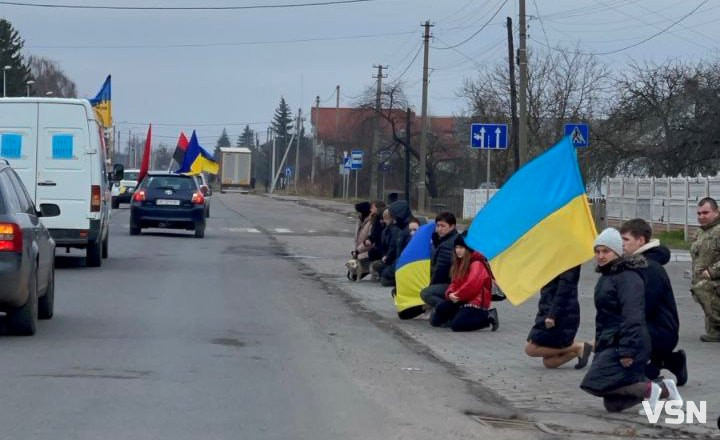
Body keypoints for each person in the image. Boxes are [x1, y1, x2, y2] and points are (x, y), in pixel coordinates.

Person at [580, 228, 681, 413]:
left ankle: (649, 390)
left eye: (606, 251)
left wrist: (627, 351)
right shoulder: (607, 275)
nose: (600, 256)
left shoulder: (628, 277)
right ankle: (664, 388)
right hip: (611, 342)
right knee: (613, 404)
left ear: (617, 252)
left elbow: (633, 315)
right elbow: (604, 318)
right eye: (597, 251)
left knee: (593, 382)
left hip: (628, 345)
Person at [620, 218, 687, 385]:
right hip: (654, 328)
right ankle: (672, 361)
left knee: (630, 378)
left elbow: (645, 306)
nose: (622, 244)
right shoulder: (639, 263)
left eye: (626, 240)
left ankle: (653, 373)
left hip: (661, 332)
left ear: (641, 240)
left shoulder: (649, 267)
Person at [525, 266, 593, 369]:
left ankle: (579, 346)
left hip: (560, 314)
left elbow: (564, 290)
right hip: (549, 309)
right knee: (550, 362)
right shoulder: (553, 258)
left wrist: (552, 315)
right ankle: (584, 347)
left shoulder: (568, 260)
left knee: (531, 349)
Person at [430, 232, 498, 331]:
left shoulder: (477, 263)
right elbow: (454, 282)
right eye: (456, 247)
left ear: (468, 249)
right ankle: (456, 315)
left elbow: (472, 286)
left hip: (476, 303)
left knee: (457, 326)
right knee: (437, 318)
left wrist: (457, 295)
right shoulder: (459, 262)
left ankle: (488, 316)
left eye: (461, 248)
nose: (458, 251)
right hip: (462, 299)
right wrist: (450, 294)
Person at [690, 197, 720, 342]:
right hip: (704, 280)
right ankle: (715, 332)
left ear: (717, 212)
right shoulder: (701, 232)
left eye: (705, 213)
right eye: (699, 213)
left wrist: (712, 271)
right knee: (703, 293)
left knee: (703, 290)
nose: (701, 216)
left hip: (715, 279)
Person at [420, 212, 458, 309]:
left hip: (450, 283)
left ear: (452, 226)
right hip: (450, 281)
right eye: (438, 225)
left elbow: (441, 271)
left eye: (443, 226)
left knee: (425, 294)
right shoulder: (443, 240)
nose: (439, 229)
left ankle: (450, 309)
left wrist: (430, 287)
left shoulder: (447, 244)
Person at [379, 200, 414, 287]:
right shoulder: (404, 229)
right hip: (400, 264)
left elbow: (403, 255)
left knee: (384, 277)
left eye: (394, 218)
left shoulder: (407, 230)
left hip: (405, 267)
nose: (394, 221)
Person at [347, 201, 372, 280]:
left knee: (355, 274)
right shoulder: (360, 222)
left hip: (367, 254)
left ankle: (368, 269)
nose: (358, 214)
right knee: (351, 270)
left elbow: (369, 242)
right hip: (359, 252)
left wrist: (358, 252)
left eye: (359, 212)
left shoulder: (371, 223)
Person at [367, 200, 387, 267]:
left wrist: (370, 240)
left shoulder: (380, 220)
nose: (370, 210)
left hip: (381, 253)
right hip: (378, 252)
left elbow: (377, 235)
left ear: (378, 208)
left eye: (372, 207)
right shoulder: (376, 218)